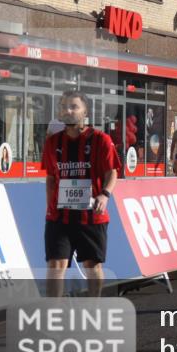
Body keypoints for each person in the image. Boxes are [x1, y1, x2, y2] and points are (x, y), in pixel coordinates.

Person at [41, 90, 121, 297]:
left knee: (92, 266)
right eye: (64, 106)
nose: (68, 110)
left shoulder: (101, 140)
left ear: (85, 112)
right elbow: (50, 177)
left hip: (91, 215)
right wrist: (51, 206)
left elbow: (112, 171)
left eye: (74, 106)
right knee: (56, 265)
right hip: (60, 217)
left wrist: (105, 194)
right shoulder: (52, 143)